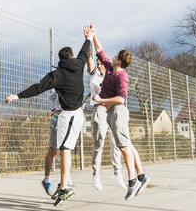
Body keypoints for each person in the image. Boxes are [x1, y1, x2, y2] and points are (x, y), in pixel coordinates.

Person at [5, 25, 92, 206]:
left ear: (60, 59)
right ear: (72, 56)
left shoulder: (57, 74)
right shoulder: (80, 64)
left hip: (69, 116)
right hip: (75, 115)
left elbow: (38, 87)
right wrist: (89, 37)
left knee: (64, 149)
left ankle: (64, 186)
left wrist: (17, 96)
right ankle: (60, 182)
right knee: (59, 149)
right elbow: (85, 51)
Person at [89, 25, 150, 201]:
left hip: (117, 112)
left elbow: (121, 98)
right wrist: (93, 36)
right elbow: (100, 52)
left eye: (116, 56)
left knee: (122, 146)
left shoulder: (121, 76)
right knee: (128, 145)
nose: (112, 57)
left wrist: (102, 101)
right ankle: (142, 177)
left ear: (120, 62)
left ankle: (132, 182)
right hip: (111, 113)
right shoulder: (109, 68)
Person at [87, 50, 126, 191]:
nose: (99, 66)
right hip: (99, 109)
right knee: (100, 140)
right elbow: (90, 61)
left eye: (101, 64)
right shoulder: (94, 74)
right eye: (97, 64)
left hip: (110, 109)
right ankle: (96, 173)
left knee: (116, 141)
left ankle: (117, 173)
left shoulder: (111, 74)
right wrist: (88, 48)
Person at [41, 91, 74, 196]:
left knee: (66, 151)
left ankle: (67, 181)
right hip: (57, 119)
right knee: (53, 150)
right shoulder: (61, 81)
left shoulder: (75, 83)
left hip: (68, 119)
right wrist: (53, 110)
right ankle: (47, 180)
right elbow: (51, 97)